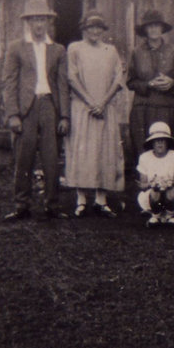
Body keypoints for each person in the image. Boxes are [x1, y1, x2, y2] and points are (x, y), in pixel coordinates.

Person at [0, 0, 71, 221]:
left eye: (42, 20)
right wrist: (13, 114)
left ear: (48, 22)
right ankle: (22, 204)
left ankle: (52, 204)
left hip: (49, 105)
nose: (39, 25)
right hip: (26, 109)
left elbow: (62, 84)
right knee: (24, 156)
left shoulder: (58, 49)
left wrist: (65, 115)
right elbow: (9, 82)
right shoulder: (16, 48)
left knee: (51, 157)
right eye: (34, 20)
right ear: (28, 23)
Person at [64, 11, 126, 218]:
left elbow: (118, 79)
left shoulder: (111, 50)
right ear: (84, 29)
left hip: (105, 108)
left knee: (104, 151)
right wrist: (91, 102)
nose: (95, 31)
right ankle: (81, 200)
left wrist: (103, 102)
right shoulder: (74, 49)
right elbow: (72, 77)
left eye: (99, 27)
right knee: (82, 151)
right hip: (83, 108)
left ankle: (101, 200)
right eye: (91, 27)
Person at [126, 9, 174, 166]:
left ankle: (171, 183)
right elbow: (130, 82)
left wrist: (172, 83)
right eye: (150, 26)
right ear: (145, 30)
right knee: (144, 150)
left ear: (162, 29)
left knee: (170, 149)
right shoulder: (137, 52)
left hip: (168, 108)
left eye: (157, 26)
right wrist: (148, 84)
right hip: (144, 109)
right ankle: (146, 185)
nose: (154, 29)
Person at [136, 122, 174, 226]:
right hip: (152, 193)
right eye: (156, 141)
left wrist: (170, 182)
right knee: (155, 191)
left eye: (162, 140)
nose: (159, 143)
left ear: (167, 142)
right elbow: (143, 186)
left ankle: (170, 216)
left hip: (172, 193)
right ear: (152, 143)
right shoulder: (144, 157)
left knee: (170, 191)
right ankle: (156, 216)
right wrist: (152, 184)